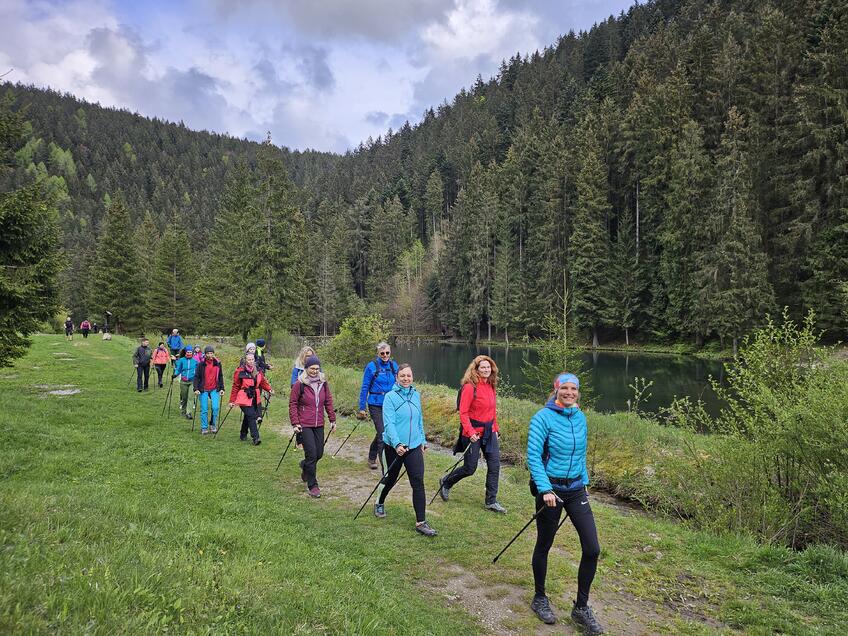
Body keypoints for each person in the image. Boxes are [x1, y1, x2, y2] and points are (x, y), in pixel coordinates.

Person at [526, 372, 603, 634]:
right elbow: (533, 457)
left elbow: (581, 453)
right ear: (556, 390)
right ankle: (539, 597)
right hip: (551, 491)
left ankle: (581, 608)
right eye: (565, 388)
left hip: (575, 490)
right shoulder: (542, 418)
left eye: (574, 389)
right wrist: (545, 489)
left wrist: (585, 482)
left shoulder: (580, 417)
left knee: (592, 549)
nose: (570, 392)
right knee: (544, 544)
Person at [373, 363, 437, 537]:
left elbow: (419, 420)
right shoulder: (390, 397)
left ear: (412, 377)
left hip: (414, 446)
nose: (406, 379)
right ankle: (379, 502)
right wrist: (397, 444)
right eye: (402, 376)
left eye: (408, 376)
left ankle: (421, 522)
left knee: (418, 482)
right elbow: (389, 424)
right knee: (390, 479)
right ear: (397, 378)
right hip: (394, 447)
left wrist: (422, 439)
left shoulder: (416, 395)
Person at [438, 355, 506, 513]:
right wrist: (470, 432)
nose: (486, 370)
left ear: (492, 369)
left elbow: (491, 411)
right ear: (475, 369)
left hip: (489, 432)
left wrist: (495, 429)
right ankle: (446, 482)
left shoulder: (491, 385)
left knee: (495, 465)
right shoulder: (470, 387)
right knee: (470, 468)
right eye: (482, 367)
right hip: (472, 432)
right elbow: (463, 412)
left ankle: (491, 501)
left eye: (488, 367)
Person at [289, 354, 336, 497]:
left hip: (319, 423)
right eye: (312, 368)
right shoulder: (300, 384)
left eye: (317, 368)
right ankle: (313, 485)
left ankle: (305, 466)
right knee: (311, 454)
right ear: (306, 368)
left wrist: (332, 420)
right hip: (305, 424)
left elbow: (328, 401)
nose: (315, 371)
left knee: (319, 453)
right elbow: (293, 404)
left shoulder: (323, 383)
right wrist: (295, 423)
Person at [358, 342, 399, 471]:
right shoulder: (371, 367)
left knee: (383, 432)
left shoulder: (394, 366)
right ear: (378, 354)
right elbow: (365, 387)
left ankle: (371, 456)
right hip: (375, 404)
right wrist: (362, 407)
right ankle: (385, 468)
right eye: (382, 353)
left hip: (391, 404)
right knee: (382, 434)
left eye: (387, 353)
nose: (385, 355)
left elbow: (399, 384)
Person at [229, 352, 273, 445]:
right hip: (244, 396)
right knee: (252, 415)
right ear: (245, 360)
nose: (251, 361)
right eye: (249, 359)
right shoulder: (239, 371)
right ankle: (256, 438)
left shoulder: (258, 371)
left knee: (248, 416)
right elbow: (235, 386)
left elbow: (263, 382)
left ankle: (243, 433)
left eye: (252, 359)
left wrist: (269, 389)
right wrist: (232, 401)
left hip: (255, 396)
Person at [194, 345, 225, 435]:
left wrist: (222, 388)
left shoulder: (218, 364)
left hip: (214, 388)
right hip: (203, 388)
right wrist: (196, 388)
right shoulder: (201, 364)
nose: (210, 355)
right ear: (205, 354)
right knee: (204, 409)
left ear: (213, 354)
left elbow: (220, 376)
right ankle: (204, 427)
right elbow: (196, 377)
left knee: (215, 407)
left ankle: (212, 424)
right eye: (208, 353)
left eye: (211, 353)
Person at [290, 345, 317, 450]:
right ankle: (299, 440)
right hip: (300, 395)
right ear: (303, 357)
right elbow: (293, 383)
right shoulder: (297, 368)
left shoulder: (316, 366)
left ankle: (311, 437)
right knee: (300, 417)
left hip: (312, 396)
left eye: (311, 356)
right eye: (307, 356)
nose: (309, 358)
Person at [173, 346, 198, 420]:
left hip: (192, 382)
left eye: (190, 352)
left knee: (190, 397)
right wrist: (175, 374)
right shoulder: (181, 360)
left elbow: (198, 370)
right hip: (183, 382)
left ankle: (188, 413)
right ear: (185, 353)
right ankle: (183, 410)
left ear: (192, 353)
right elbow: (178, 369)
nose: (189, 353)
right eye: (188, 352)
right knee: (184, 397)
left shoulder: (195, 361)